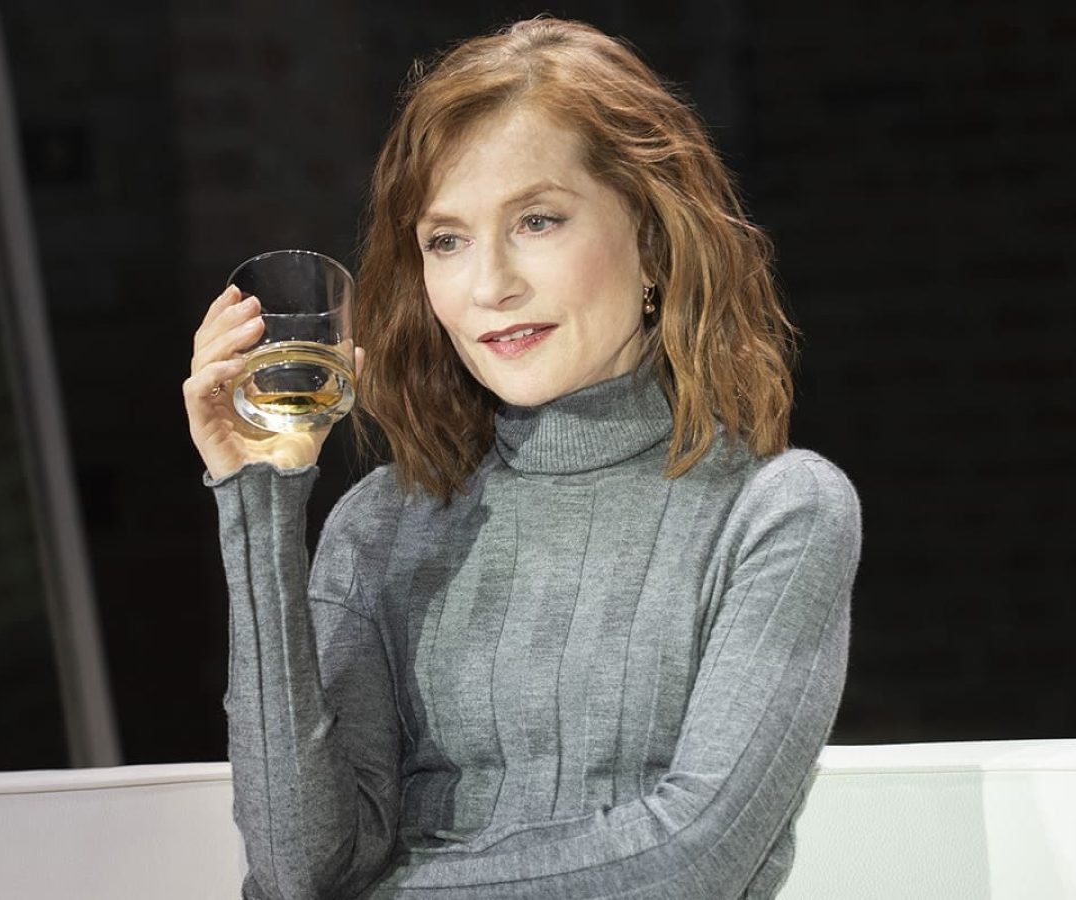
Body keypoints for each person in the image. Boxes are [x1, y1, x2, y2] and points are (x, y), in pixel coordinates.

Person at [184, 16, 861, 900]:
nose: (489, 285)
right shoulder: (381, 525)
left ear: (652, 239)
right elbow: (297, 866)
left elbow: (689, 863)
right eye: (446, 240)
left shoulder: (779, 513)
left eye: (537, 220)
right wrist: (259, 497)